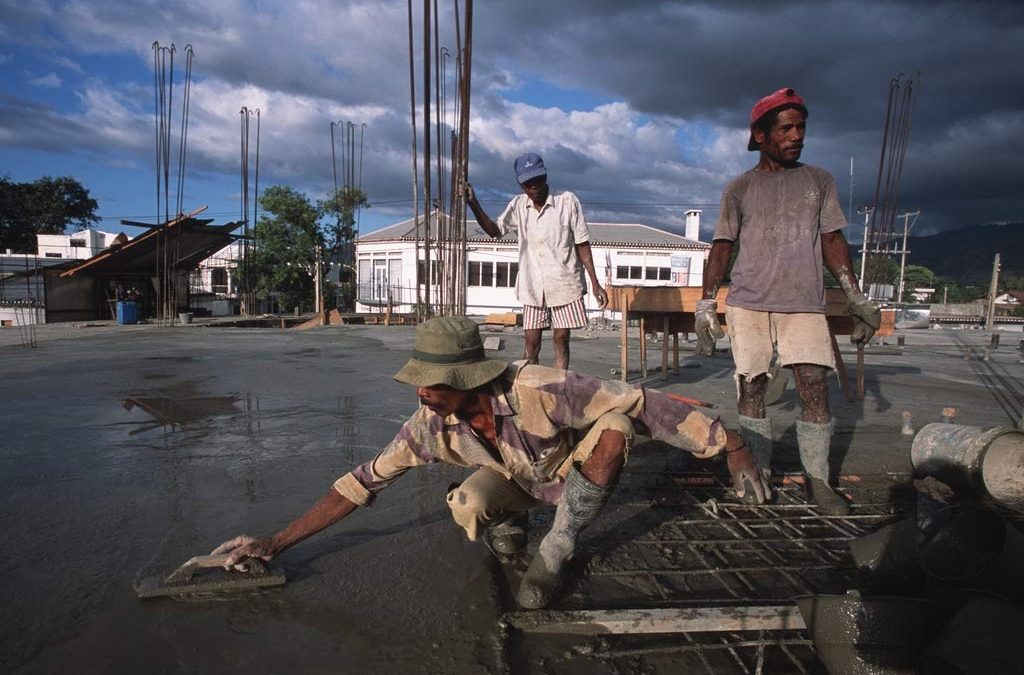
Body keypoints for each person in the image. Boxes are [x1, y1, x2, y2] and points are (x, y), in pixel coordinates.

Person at [215, 316, 770, 610]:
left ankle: (556, 547)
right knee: (471, 499)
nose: (421, 394)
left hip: (563, 471)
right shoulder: (428, 425)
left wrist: (730, 445)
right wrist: (276, 542)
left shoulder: (543, 387)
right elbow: (360, 483)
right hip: (518, 482)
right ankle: (513, 523)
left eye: (431, 384)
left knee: (618, 428)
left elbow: (639, 401)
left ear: (465, 380)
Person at [694, 87, 880, 516]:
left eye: (801, 127)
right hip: (749, 303)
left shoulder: (819, 181)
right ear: (760, 135)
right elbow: (721, 247)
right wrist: (706, 304)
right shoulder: (739, 188)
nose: (796, 135)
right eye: (786, 128)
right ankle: (755, 472)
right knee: (753, 387)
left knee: (814, 387)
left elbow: (832, 240)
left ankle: (818, 479)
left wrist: (854, 295)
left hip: (804, 303)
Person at [465, 152, 608, 370]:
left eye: (538, 180)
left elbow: (582, 244)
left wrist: (596, 283)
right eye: (528, 184)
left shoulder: (567, 201)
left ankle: (560, 384)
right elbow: (495, 231)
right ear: (521, 185)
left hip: (564, 283)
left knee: (561, 337)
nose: (535, 187)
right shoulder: (518, 206)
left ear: (546, 176)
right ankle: (532, 386)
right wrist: (473, 203)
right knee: (531, 342)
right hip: (532, 286)